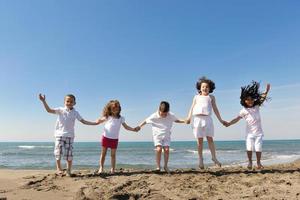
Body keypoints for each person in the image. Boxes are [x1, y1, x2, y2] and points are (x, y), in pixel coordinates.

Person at [39, 94, 99, 176]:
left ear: (74, 103)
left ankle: (68, 170)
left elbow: (83, 121)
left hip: (70, 136)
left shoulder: (75, 113)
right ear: (64, 102)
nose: (69, 103)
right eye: (67, 101)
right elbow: (49, 110)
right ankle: (59, 168)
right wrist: (43, 101)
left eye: (71, 101)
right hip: (59, 135)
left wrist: (95, 123)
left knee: (69, 154)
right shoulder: (60, 110)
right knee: (58, 152)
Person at [225, 82, 270, 170]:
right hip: (249, 133)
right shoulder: (243, 111)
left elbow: (262, 98)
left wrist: (267, 91)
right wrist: (229, 123)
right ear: (244, 100)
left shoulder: (256, 106)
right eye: (248, 99)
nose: (250, 101)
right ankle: (250, 162)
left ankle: (258, 162)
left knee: (258, 148)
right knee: (249, 148)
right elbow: (237, 118)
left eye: (251, 99)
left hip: (259, 133)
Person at [186, 77, 226, 169]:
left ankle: (214, 157)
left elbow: (215, 109)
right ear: (200, 88)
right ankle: (200, 159)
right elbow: (191, 108)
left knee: (210, 139)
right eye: (203, 86)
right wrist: (189, 118)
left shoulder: (211, 97)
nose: (204, 88)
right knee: (199, 141)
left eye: (207, 87)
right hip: (197, 119)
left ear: (210, 88)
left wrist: (220, 120)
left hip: (207, 119)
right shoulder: (196, 97)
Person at [137, 101, 187, 173]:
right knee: (159, 149)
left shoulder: (170, 115)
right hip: (157, 136)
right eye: (161, 113)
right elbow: (145, 121)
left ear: (168, 111)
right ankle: (158, 166)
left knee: (166, 150)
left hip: (166, 136)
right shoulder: (154, 115)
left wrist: (185, 121)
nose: (163, 115)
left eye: (165, 114)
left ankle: (165, 166)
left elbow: (177, 120)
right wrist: (139, 126)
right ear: (159, 109)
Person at [96, 100, 139, 174]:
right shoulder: (108, 116)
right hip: (106, 137)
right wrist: (98, 120)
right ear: (110, 109)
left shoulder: (121, 118)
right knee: (103, 153)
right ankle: (101, 168)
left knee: (113, 155)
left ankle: (112, 169)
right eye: (113, 108)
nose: (115, 109)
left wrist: (133, 129)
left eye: (117, 108)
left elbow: (126, 127)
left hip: (114, 139)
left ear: (119, 109)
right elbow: (100, 120)